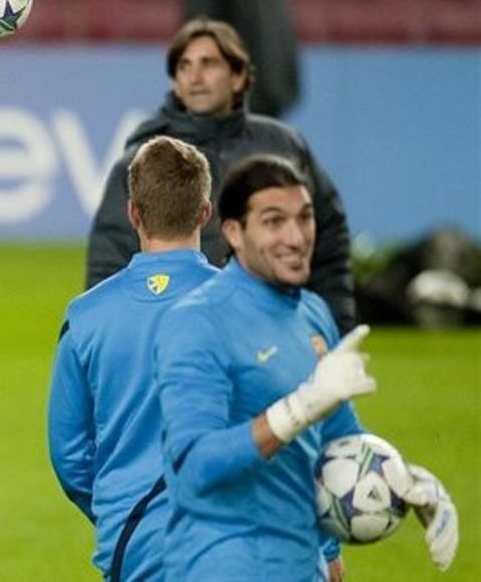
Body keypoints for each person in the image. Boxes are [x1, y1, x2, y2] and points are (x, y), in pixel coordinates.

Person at [155, 155, 458, 580]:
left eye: (305, 218)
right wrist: (296, 409)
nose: (296, 237)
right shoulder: (198, 322)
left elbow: (337, 432)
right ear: (234, 233)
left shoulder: (312, 313)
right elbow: (195, 465)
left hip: (301, 564)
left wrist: (400, 476)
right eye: (274, 221)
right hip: (223, 565)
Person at [86, 18, 355, 335]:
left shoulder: (284, 145)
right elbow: (109, 261)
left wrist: (337, 328)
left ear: (239, 76)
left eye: (208, 64)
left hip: (277, 330)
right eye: (184, 67)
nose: (195, 77)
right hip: (179, 336)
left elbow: (329, 244)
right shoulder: (145, 160)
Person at [48, 136, 219, 581]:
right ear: (205, 212)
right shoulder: (244, 307)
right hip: (229, 542)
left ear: (133, 214)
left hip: (132, 544)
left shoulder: (85, 317)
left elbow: (68, 456)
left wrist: (118, 507)